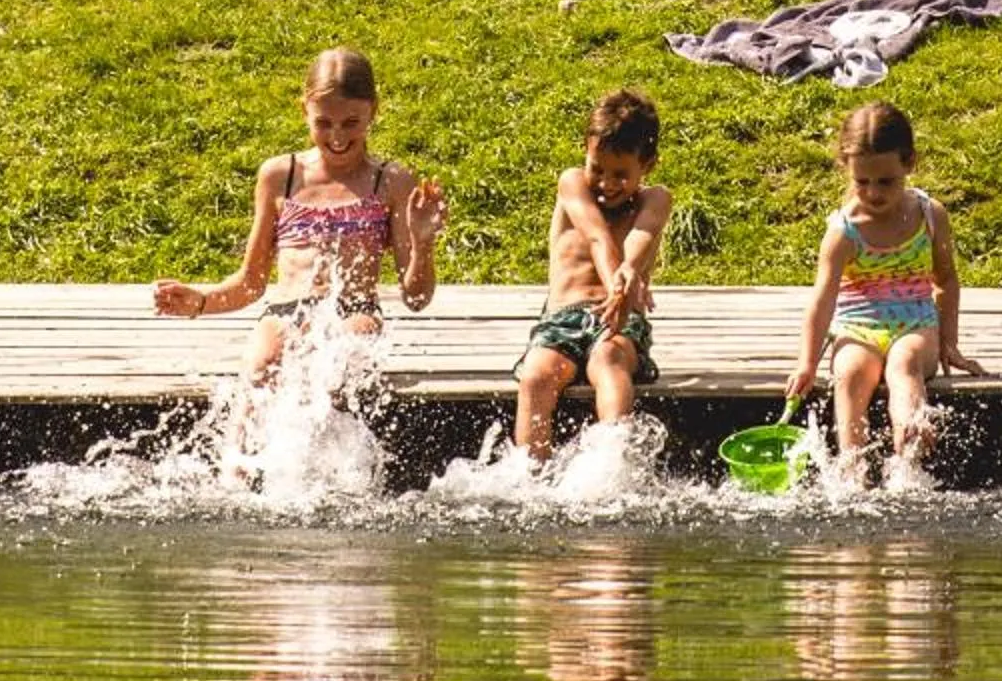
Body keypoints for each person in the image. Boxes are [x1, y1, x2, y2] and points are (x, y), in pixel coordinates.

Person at [154, 47, 444, 394]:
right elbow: (251, 282)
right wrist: (201, 300)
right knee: (261, 372)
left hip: (355, 310)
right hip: (286, 310)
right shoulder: (280, 175)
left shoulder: (392, 181)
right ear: (304, 111)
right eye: (323, 123)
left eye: (351, 123)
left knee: (337, 368)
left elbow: (416, 298)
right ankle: (239, 451)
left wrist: (423, 242)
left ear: (373, 112)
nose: (337, 137)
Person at [786, 101, 986, 488]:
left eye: (886, 181)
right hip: (857, 325)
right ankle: (852, 471)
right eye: (862, 182)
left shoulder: (930, 215)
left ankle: (907, 462)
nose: (874, 193)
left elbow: (946, 279)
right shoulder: (845, 231)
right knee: (848, 374)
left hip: (915, 323)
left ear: (909, 163)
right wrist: (807, 363)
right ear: (846, 168)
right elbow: (822, 300)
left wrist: (950, 343)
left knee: (904, 365)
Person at [515, 89, 671, 462]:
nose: (606, 184)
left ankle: (613, 464)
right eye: (597, 168)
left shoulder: (657, 198)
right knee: (537, 376)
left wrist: (629, 272)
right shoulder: (572, 183)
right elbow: (598, 236)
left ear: (646, 166)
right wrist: (618, 281)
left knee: (608, 360)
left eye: (621, 174)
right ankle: (529, 475)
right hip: (563, 315)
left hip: (618, 322)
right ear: (585, 150)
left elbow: (641, 236)